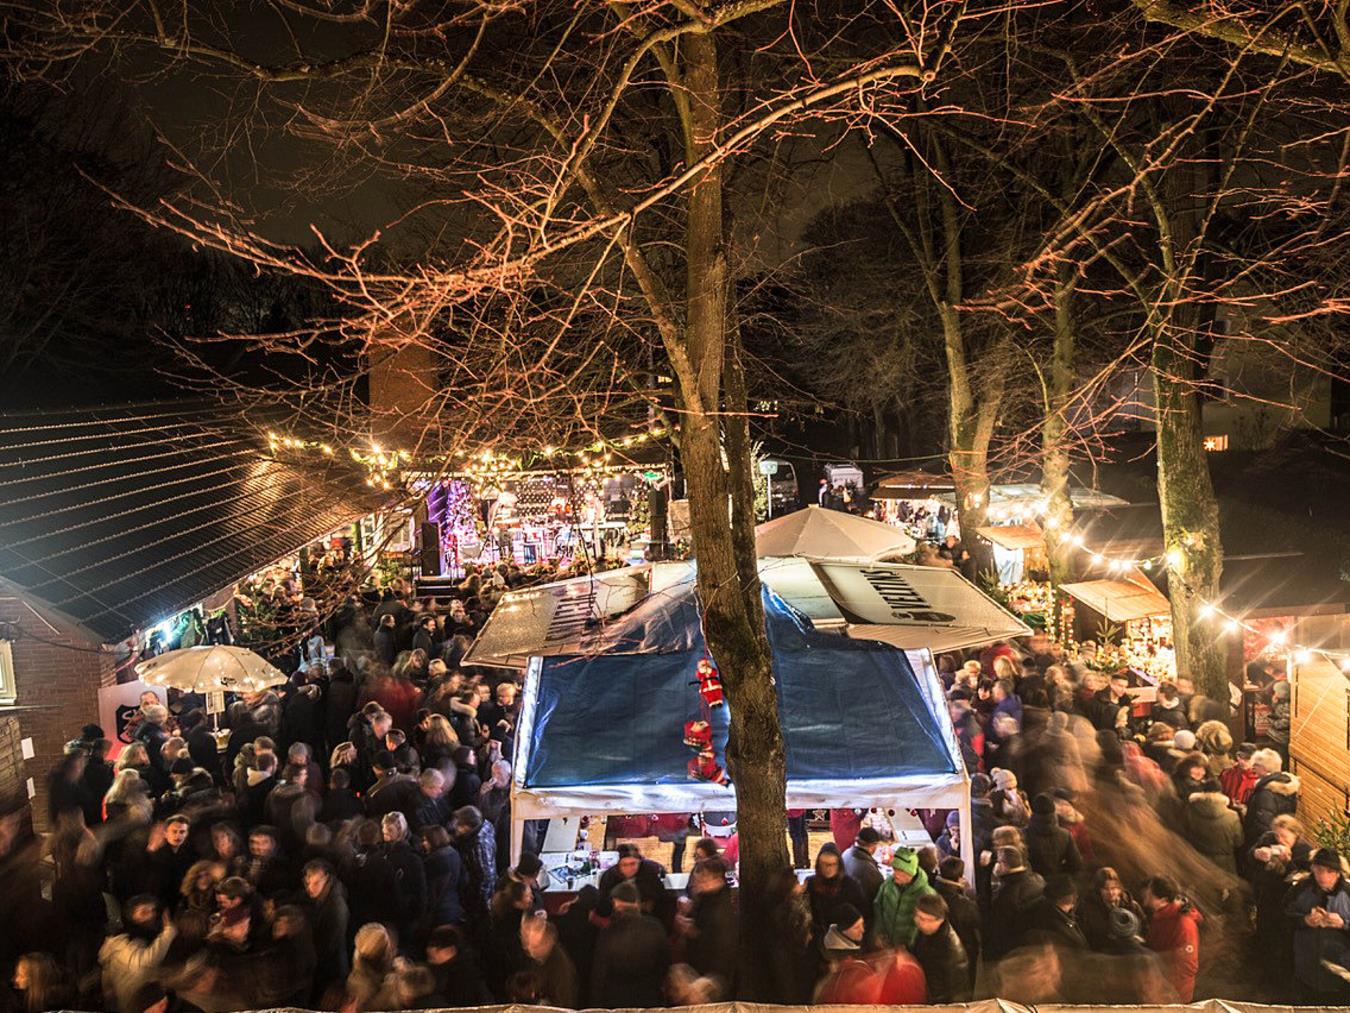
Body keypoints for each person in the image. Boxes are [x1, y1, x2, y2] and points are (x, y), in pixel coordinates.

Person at [590, 881, 671, 1007]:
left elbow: (599, 975)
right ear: (637, 903)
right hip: (650, 997)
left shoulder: (609, 932)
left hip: (617, 1000)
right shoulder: (655, 927)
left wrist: (597, 1004)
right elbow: (665, 964)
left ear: (616, 903)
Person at [1284, 848, 1350, 1003]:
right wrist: (1304, 920)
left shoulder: (1348, 893)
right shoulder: (1301, 888)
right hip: (1307, 965)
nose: (1323, 876)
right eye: (1319, 870)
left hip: (1340, 970)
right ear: (1312, 869)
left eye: (1329, 871)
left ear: (1338, 873)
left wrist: (1343, 924)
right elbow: (1284, 915)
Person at [98, 895, 176, 1013]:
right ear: (129, 917)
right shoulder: (124, 948)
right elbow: (142, 964)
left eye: (153, 911)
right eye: (144, 912)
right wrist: (169, 932)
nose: (151, 915)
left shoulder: (126, 941)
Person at [1141, 875, 1202, 1002]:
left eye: (1149, 894)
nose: (1144, 897)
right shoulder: (1161, 916)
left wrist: (1155, 962)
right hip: (1160, 985)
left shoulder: (1184, 924)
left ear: (1162, 900)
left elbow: (1187, 964)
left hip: (1174, 993)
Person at [683, 857, 738, 990]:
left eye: (701, 879)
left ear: (716, 879)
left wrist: (691, 931)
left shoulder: (720, 908)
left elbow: (716, 944)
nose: (696, 883)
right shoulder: (707, 898)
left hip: (712, 975)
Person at [986, 845, 1045, 959]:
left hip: (1014, 947)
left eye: (998, 862)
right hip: (1034, 942)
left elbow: (998, 927)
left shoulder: (1006, 895)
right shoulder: (1038, 879)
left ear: (1004, 865)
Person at [910, 892, 969, 1001]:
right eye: (917, 916)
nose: (918, 922)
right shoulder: (925, 933)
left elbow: (957, 992)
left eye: (924, 919)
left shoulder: (952, 950)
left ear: (940, 920)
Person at [871, 847, 934, 949]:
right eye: (894, 869)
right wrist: (879, 933)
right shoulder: (889, 883)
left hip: (909, 950)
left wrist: (910, 946)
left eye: (900, 870)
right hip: (886, 945)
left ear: (910, 872)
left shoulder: (926, 894)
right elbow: (878, 905)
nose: (895, 874)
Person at [806, 844, 867, 949]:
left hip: (844, 943)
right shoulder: (811, 883)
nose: (828, 869)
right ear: (818, 864)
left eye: (832, 864)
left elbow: (863, 914)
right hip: (817, 941)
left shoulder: (851, 885)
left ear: (839, 865)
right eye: (824, 864)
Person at [1077, 867, 1146, 952]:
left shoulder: (1131, 905)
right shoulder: (1088, 909)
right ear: (1099, 890)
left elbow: (1144, 928)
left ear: (1119, 888)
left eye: (1113, 888)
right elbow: (1087, 936)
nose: (1111, 893)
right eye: (1106, 889)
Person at [597, 843, 669, 922]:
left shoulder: (650, 873)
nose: (629, 869)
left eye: (633, 864)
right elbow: (603, 904)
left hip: (648, 920)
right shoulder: (609, 877)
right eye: (624, 865)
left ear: (639, 862)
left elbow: (660, 900)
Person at [1243, 748, 1300, 846]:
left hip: (1262, 844)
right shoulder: (1284, 785)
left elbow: (1263, 825)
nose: (1253, 768)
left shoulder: (1266, 793)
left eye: (1256, 765)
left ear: (1265, 768)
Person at [1181, 786, 1243, 874]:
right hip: (1224, 865)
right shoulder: (1233, 815)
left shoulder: (1189, 812)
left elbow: (1184, 835)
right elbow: (1239, 841)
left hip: (1196, 862)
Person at [1025, 792, 1082, 876]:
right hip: (1058, 883)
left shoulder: (1023, 835)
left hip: (1033, 885)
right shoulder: (1065, 835)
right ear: (1053, 811)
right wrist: (1059, 872)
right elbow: (1076, 864)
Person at [842, 827, 884, 921]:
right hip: (861, 916)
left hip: (846, 906)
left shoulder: (846, 852)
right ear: (873, 846)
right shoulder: (869, 870)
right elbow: (880, 898)